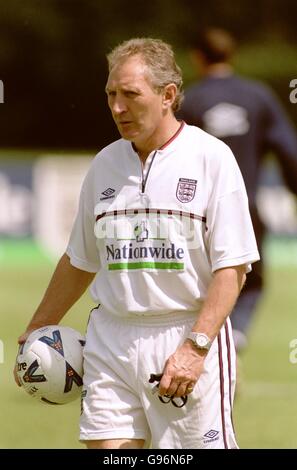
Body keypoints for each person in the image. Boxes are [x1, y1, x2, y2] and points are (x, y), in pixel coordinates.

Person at [15, 37, 259, 449]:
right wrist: (39, 325)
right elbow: (80, 260)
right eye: (110, 94)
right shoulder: (104, 164)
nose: (117, 107)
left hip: (184, 337)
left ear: (167, 96)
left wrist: (195, 348)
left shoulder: (211, 159)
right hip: (110, 338)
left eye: (129, 94)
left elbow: (231, 268)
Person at [178, 28, 297, 352]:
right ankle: (236, 331)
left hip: (194, 214)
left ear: (197, 57)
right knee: (251, 281)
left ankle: (208, 338)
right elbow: (289, 150)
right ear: (232, 55)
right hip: (246, 208)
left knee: (199, 282)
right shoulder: (258, 96)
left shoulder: (189, 100)